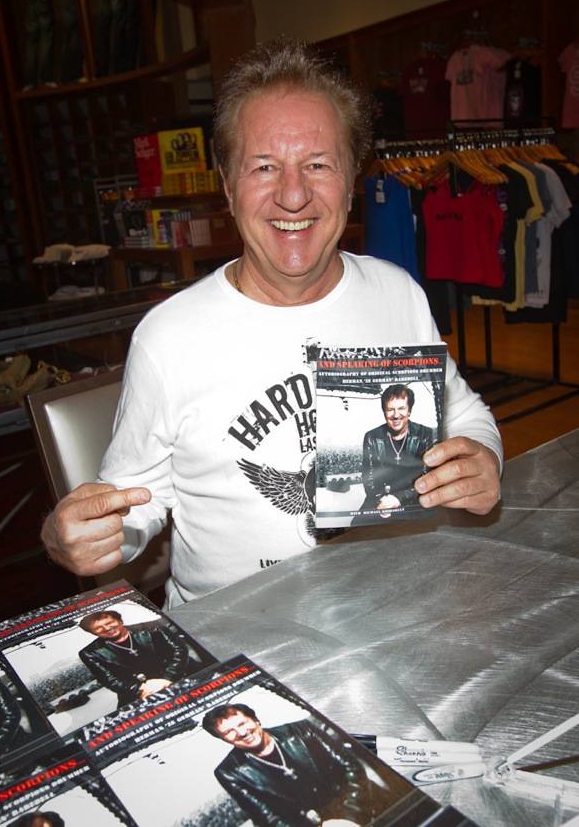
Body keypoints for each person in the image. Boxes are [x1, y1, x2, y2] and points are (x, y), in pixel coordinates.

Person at [41, 38, 502, 607]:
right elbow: (135, 506)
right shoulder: (169, 338)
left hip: (385, 602)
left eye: (318, 165)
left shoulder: (396, 292)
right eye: (264, 167)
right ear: (227, 185)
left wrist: (484, 457)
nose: (293, 195)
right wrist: (82, 535)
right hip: (233, 631)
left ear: (351, 180)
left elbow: (463, 412)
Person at [202, 704, 388, 825]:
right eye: (229, 732)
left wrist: (350, 818)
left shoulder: (301, 730)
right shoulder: (229, 772)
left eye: (242, 723)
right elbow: (268, 819)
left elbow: (352, 769)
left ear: (257, 721)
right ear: (224, 740)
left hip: (365, 805)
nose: (241, 733)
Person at [78, 609, 202, 706]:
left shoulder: (152, 627)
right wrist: (142, 689)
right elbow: (109, 680)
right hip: (138, 690)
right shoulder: (90, 653)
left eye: (109, 623)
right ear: (93, 633)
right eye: (98, 628)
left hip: (179, 673)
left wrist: (167, 679)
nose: (107, 628)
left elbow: (179, 650)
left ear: (120, 621)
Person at [355, 384, 435, 520]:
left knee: (424, 524)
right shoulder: (372, 437)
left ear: (409, 410)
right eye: (390, 410)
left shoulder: (425, 434)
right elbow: (369, 477)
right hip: (380, 497)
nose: (396, 415)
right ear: (384, 412)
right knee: (357, 523)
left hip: (414, 496)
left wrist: (400, 498)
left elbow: (427, 476)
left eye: (401, 408)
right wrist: (382, 500)